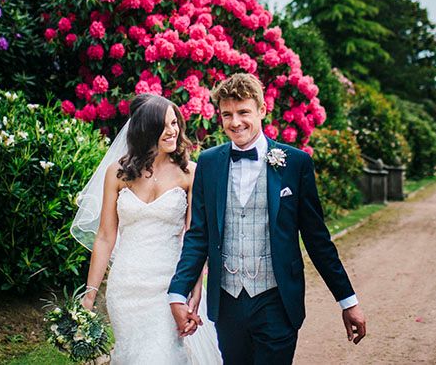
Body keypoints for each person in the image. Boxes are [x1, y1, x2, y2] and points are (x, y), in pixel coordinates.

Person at [169, 73, 367, 365]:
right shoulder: (209, 163)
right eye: (227, 115)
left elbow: (316, 239)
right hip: (227, 304)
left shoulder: (295, 163)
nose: (235, 122)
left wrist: (348, 301)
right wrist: (178, 292)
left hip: (277, 301)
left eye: (243, 112)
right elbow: (199, 235)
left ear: (262, 110)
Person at [74, 93, 222, 364]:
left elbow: (195, 238)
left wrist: (195, 289)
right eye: (164, 125)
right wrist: (89, 296)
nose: (172, 130)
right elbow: (106, 237)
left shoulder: (190, 173)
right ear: (146, 129)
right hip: (125, 288)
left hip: (169, 285)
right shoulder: (117, 173)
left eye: (175, 123)